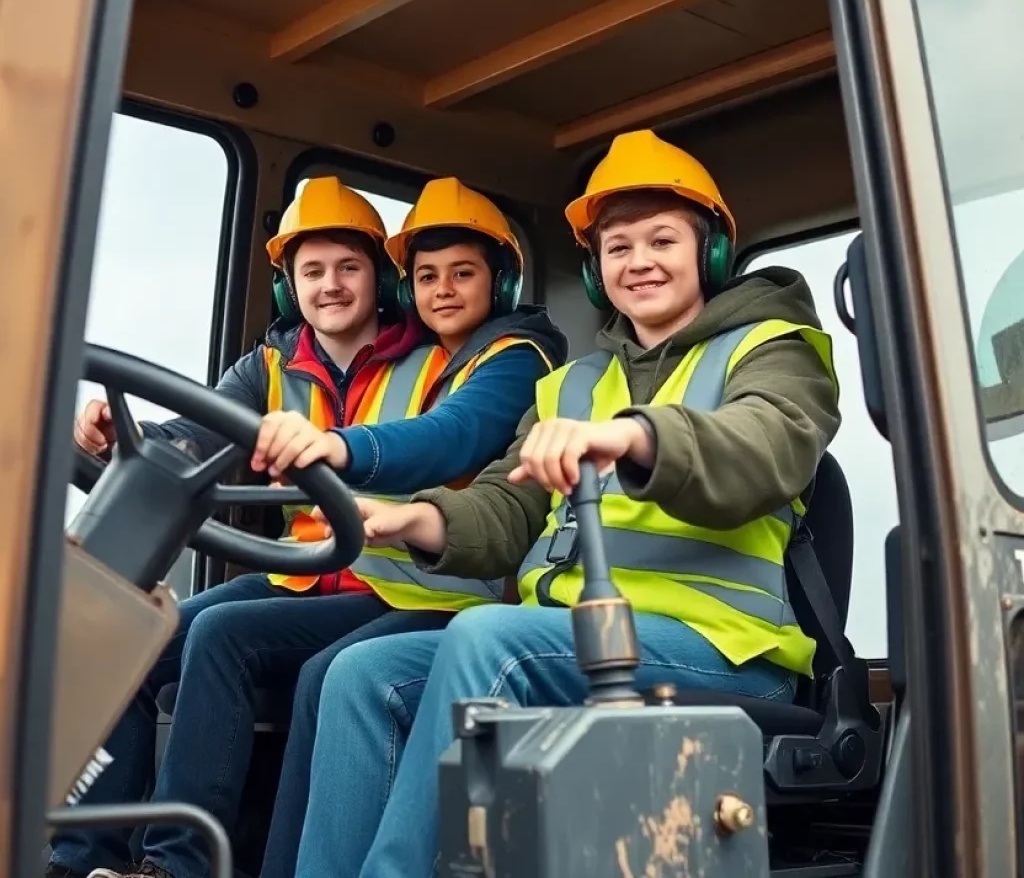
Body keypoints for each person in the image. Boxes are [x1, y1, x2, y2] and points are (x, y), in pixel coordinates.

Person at [290, 129, 842, 878]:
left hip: (723, 649)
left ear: (709, 253)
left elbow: (767, 444)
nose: (639, 262)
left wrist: (635, 437)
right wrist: (409, 519)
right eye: (618, 248)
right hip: (577, 642)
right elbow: (509, 507)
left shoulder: (774, 350)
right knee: (362, 673)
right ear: (594, 271)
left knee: (489, 637)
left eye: (661, 241)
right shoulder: (573, 384)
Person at [48, 177, 566, 878]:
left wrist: (344, 448)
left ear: (381, 280)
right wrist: (123, 435)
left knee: (226, 635)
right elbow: (199, 432)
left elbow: (451, 435)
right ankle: (77, 858)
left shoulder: (442, 353)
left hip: (406, 582)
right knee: (132, 635)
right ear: (290, 286)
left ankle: (176, 866)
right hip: (304, 576)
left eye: (349, 267)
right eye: (311, 271)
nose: (330, 286)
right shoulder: (270, 364)